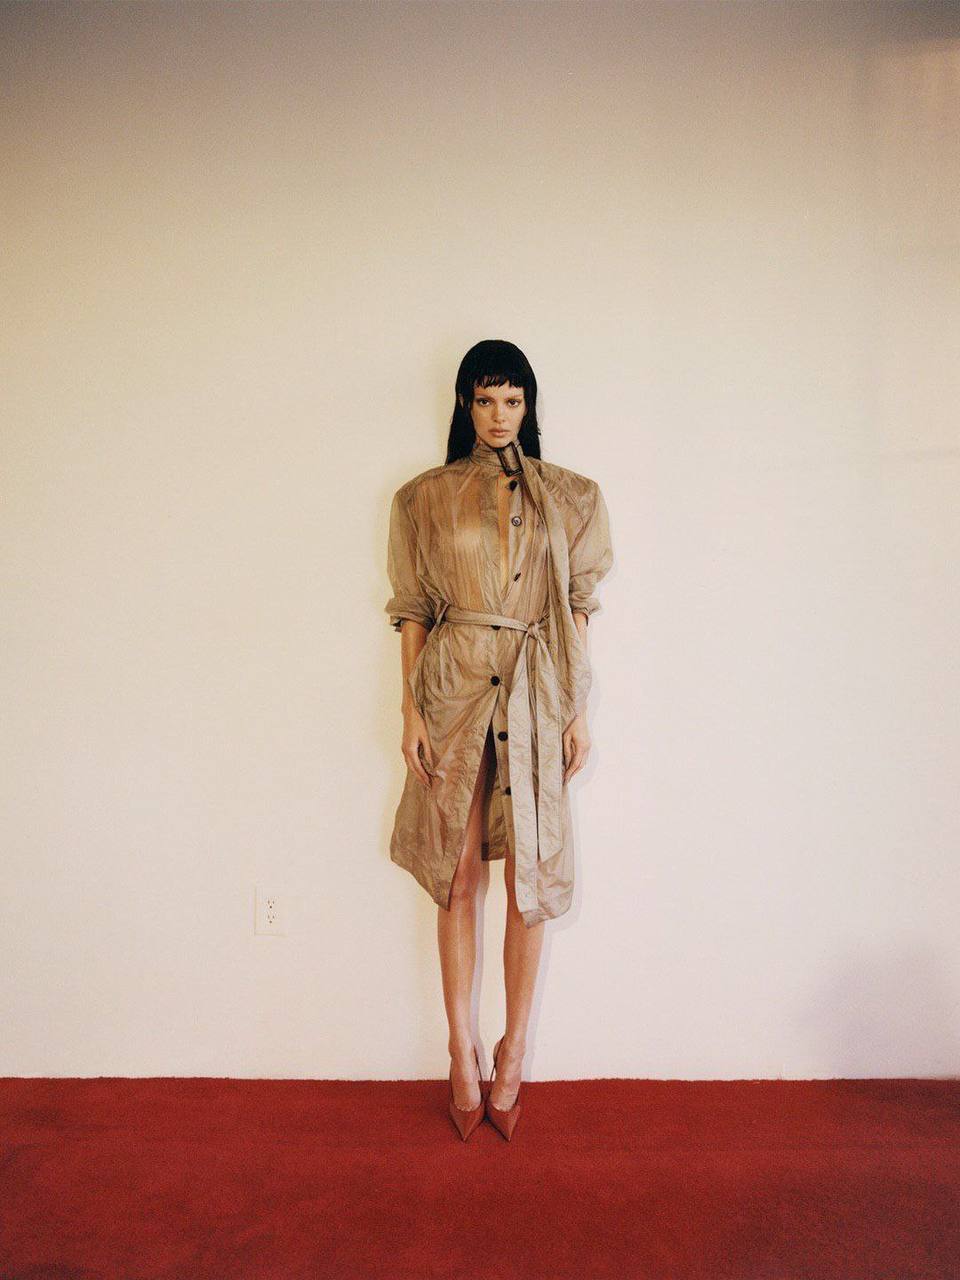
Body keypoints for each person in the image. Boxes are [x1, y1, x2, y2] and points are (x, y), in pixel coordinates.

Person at [384, 339, 613, 1140]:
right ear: (464, 404)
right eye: (484, 400)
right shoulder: (423, 498)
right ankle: (461, 1047)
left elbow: (577, 609)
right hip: (452, 690)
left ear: (529, 404)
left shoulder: (571, 496)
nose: (498, 415)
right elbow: (412, 609)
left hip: (536, 688)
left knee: (528, 872)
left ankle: (513, 1049)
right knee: (455, 873)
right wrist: (410, 711)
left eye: (511, 400)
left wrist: (576, 709)